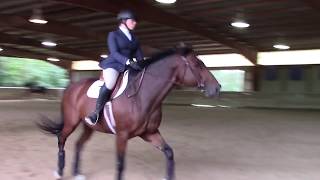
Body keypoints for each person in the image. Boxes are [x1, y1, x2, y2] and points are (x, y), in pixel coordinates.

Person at [85, 10, 144, 125]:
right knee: (110, 83)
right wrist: (128, 61)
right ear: (123, 21)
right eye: (132, 21)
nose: (135, 23)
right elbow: (114, 53)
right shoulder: (113, 35)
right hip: (114, 65)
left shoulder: (135, 39)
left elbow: (139, 56)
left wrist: (143, 65)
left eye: (135, 21)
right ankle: (95, 113)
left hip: (129, 67)